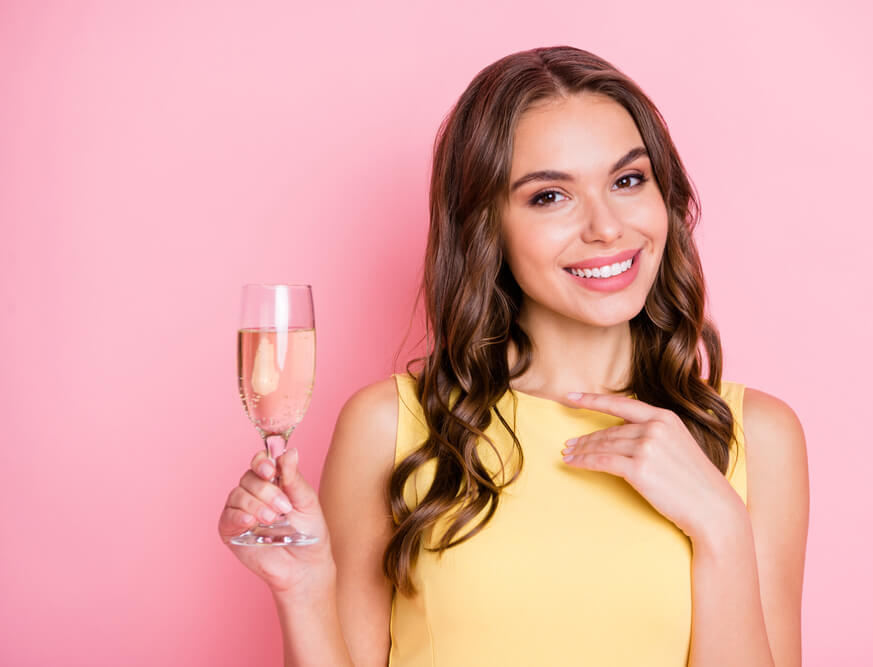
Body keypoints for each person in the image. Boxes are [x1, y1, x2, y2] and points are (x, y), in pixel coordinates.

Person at [219, 45, 809, 667]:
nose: (607, 227)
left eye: (628, 180)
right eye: (550, 196)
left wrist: (721, 525)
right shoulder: (392, 427)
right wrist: (304, 589)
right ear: (486, 227)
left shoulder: (756, 438)